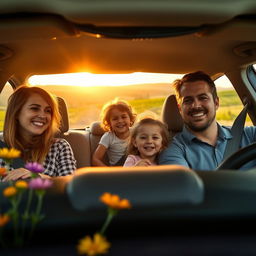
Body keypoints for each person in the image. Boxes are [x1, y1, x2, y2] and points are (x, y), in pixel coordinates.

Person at [159, 71, 256, 170]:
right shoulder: (173, 150)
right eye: (188, 100)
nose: (196, 106)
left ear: (216, 103)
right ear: (180, 108)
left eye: (203, 98)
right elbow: (182, 184)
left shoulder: (250, 135)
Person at [1, 85, 76, 181]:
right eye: (34, 108)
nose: (43, 115)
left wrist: (38, 177)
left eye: (48, 111)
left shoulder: (59, 147)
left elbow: (70, 186)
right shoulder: (2, 147)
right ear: (16, 112)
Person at [92, 98, 136, 166]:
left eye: (123, 117)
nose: (120, 121)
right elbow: (95, 159)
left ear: (130, 119)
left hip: (136, 168)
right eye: (115, 119)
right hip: (118, 171)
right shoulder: (108, 137)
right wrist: (109, 173)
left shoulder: (135, 133)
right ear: (109, 123)